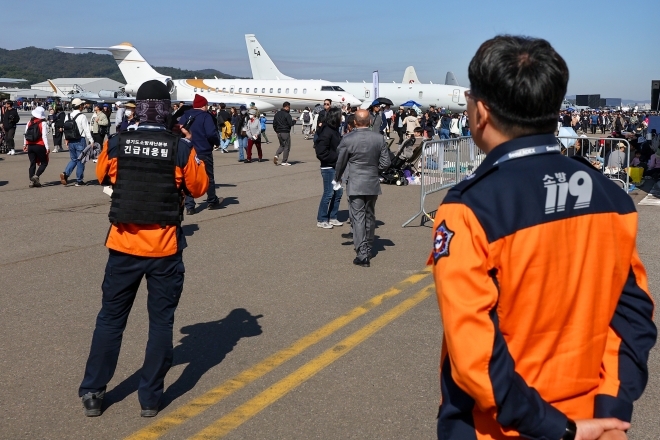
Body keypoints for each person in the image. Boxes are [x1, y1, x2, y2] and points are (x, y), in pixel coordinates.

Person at [429, 35, 655, 440]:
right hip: (593, 418)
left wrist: (559, 428)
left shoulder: (469, 208)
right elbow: (633, 314)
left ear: (480, 111)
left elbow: (474, 353)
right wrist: (611, 413)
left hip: (498, 427)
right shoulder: (613, 199)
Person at [78, 80, 209, 419]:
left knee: (110, 319)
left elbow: (102, 175)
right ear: (167, 109)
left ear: (138, 107)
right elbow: (199, 186)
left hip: (122, 245)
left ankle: (93, 391)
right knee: (161, 323)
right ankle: (150, 398)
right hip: (163, 249)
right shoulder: (180, 147)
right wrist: (188, 141)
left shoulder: (118, 142)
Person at [334, 110, 390, 267]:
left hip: (356, 182)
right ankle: (369, 247)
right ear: (370, 122)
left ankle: (362, 253)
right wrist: (374, 170)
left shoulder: (347, 138)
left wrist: (337, 177)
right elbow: (386, 162)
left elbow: (341, 162)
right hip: (372, 181)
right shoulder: (379, 138)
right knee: (370, 216)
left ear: (355, 123)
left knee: (358, 217)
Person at [179, 94, 222, 214]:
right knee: (209, 177)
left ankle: (190, 206)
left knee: (188, 177)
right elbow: (211, 133)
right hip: (204, 150)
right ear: (203, 105)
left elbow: (180, 128)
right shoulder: (205, 116)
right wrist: (216, 143)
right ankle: (212, 200)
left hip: (188, 150)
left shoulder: (186, 114)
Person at [314, 107, 344, 229]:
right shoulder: (326, 131)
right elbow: (321, 152)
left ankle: (333, 216)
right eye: (340, 115)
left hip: (336, 166)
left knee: (338, 192)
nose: (342, 118)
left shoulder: (335, 130)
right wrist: (337, 157)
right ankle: (321, 219)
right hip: (328, 167)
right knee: (328, 193)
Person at [60, 98, 94, 187]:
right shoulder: (82, 116)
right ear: (80, 106)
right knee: (81, 161)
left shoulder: (67, 116)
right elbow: (86, 129)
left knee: (74, 159)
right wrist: (91, 140)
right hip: (80, 140)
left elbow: (65, 129)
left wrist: (65, 139)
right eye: (82, 105)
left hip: (70, 140)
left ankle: (65, 173)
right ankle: (79, 180)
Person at [23, 106, 50, 187]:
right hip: (39, 145)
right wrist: (47, 147)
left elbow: (25, 134)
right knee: (44, 163)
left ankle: (32, 181)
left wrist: (25, 144)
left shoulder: (29, 122)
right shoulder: (43, 123)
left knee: (32, 163)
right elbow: (44, 136)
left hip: (30, 145)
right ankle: (36, 176)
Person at [273, 101, 295, 166]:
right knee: (287, 147)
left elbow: (274, 124)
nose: (289, 108)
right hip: (285, 132)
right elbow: (290, 123)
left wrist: (276, 131)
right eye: (289, 107)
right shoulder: (287, 115)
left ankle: (276, 155)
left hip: (279, 132)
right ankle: (284, 161)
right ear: (287, 107)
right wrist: (294, 121)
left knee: (282, 145)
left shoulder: (277, 114)